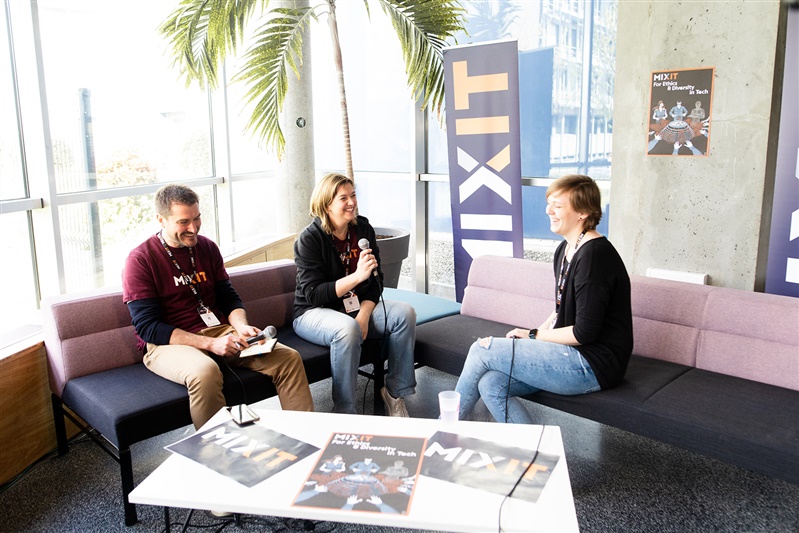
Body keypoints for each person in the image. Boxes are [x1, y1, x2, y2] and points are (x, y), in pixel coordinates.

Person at [122, 184, 313, 430]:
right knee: (205, 371)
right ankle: (217, 449)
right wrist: (210, 344)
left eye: (197, 218)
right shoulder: (140, 260)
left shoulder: (207, 247)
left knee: (288, 358)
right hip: (168, 343)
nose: (193, 228)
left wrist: (241, 326)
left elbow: (228, 297)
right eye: (183, 222)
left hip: (219, 331)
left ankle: (304, 434)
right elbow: (148, 328)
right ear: (161, 219)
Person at [454, 175, 633, 424]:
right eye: (549, 203)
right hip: (567, 353)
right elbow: (560, 309)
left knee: (481, 350)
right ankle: (532, 447)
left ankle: (443, 428)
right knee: (491, 384)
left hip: (592, 365)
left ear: (583, 213)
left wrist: (533, 335)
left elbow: (584, 333)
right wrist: (531, 338)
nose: (549, 211)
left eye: (557, 205)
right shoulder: (565, 249)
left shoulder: (595, 257)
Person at [293, 172, 417, 417]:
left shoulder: (362, 229)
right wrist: (357, 276)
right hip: (312, 312)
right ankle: (345, 411)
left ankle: (395, 394)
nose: (351, 202)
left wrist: (364, 315)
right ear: (327, 204)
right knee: (347, 328)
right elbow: (314, 294)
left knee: (404, 313)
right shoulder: (309, 239)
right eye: (343, 198)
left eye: (353, 195)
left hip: (355, 308)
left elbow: (376, 282)